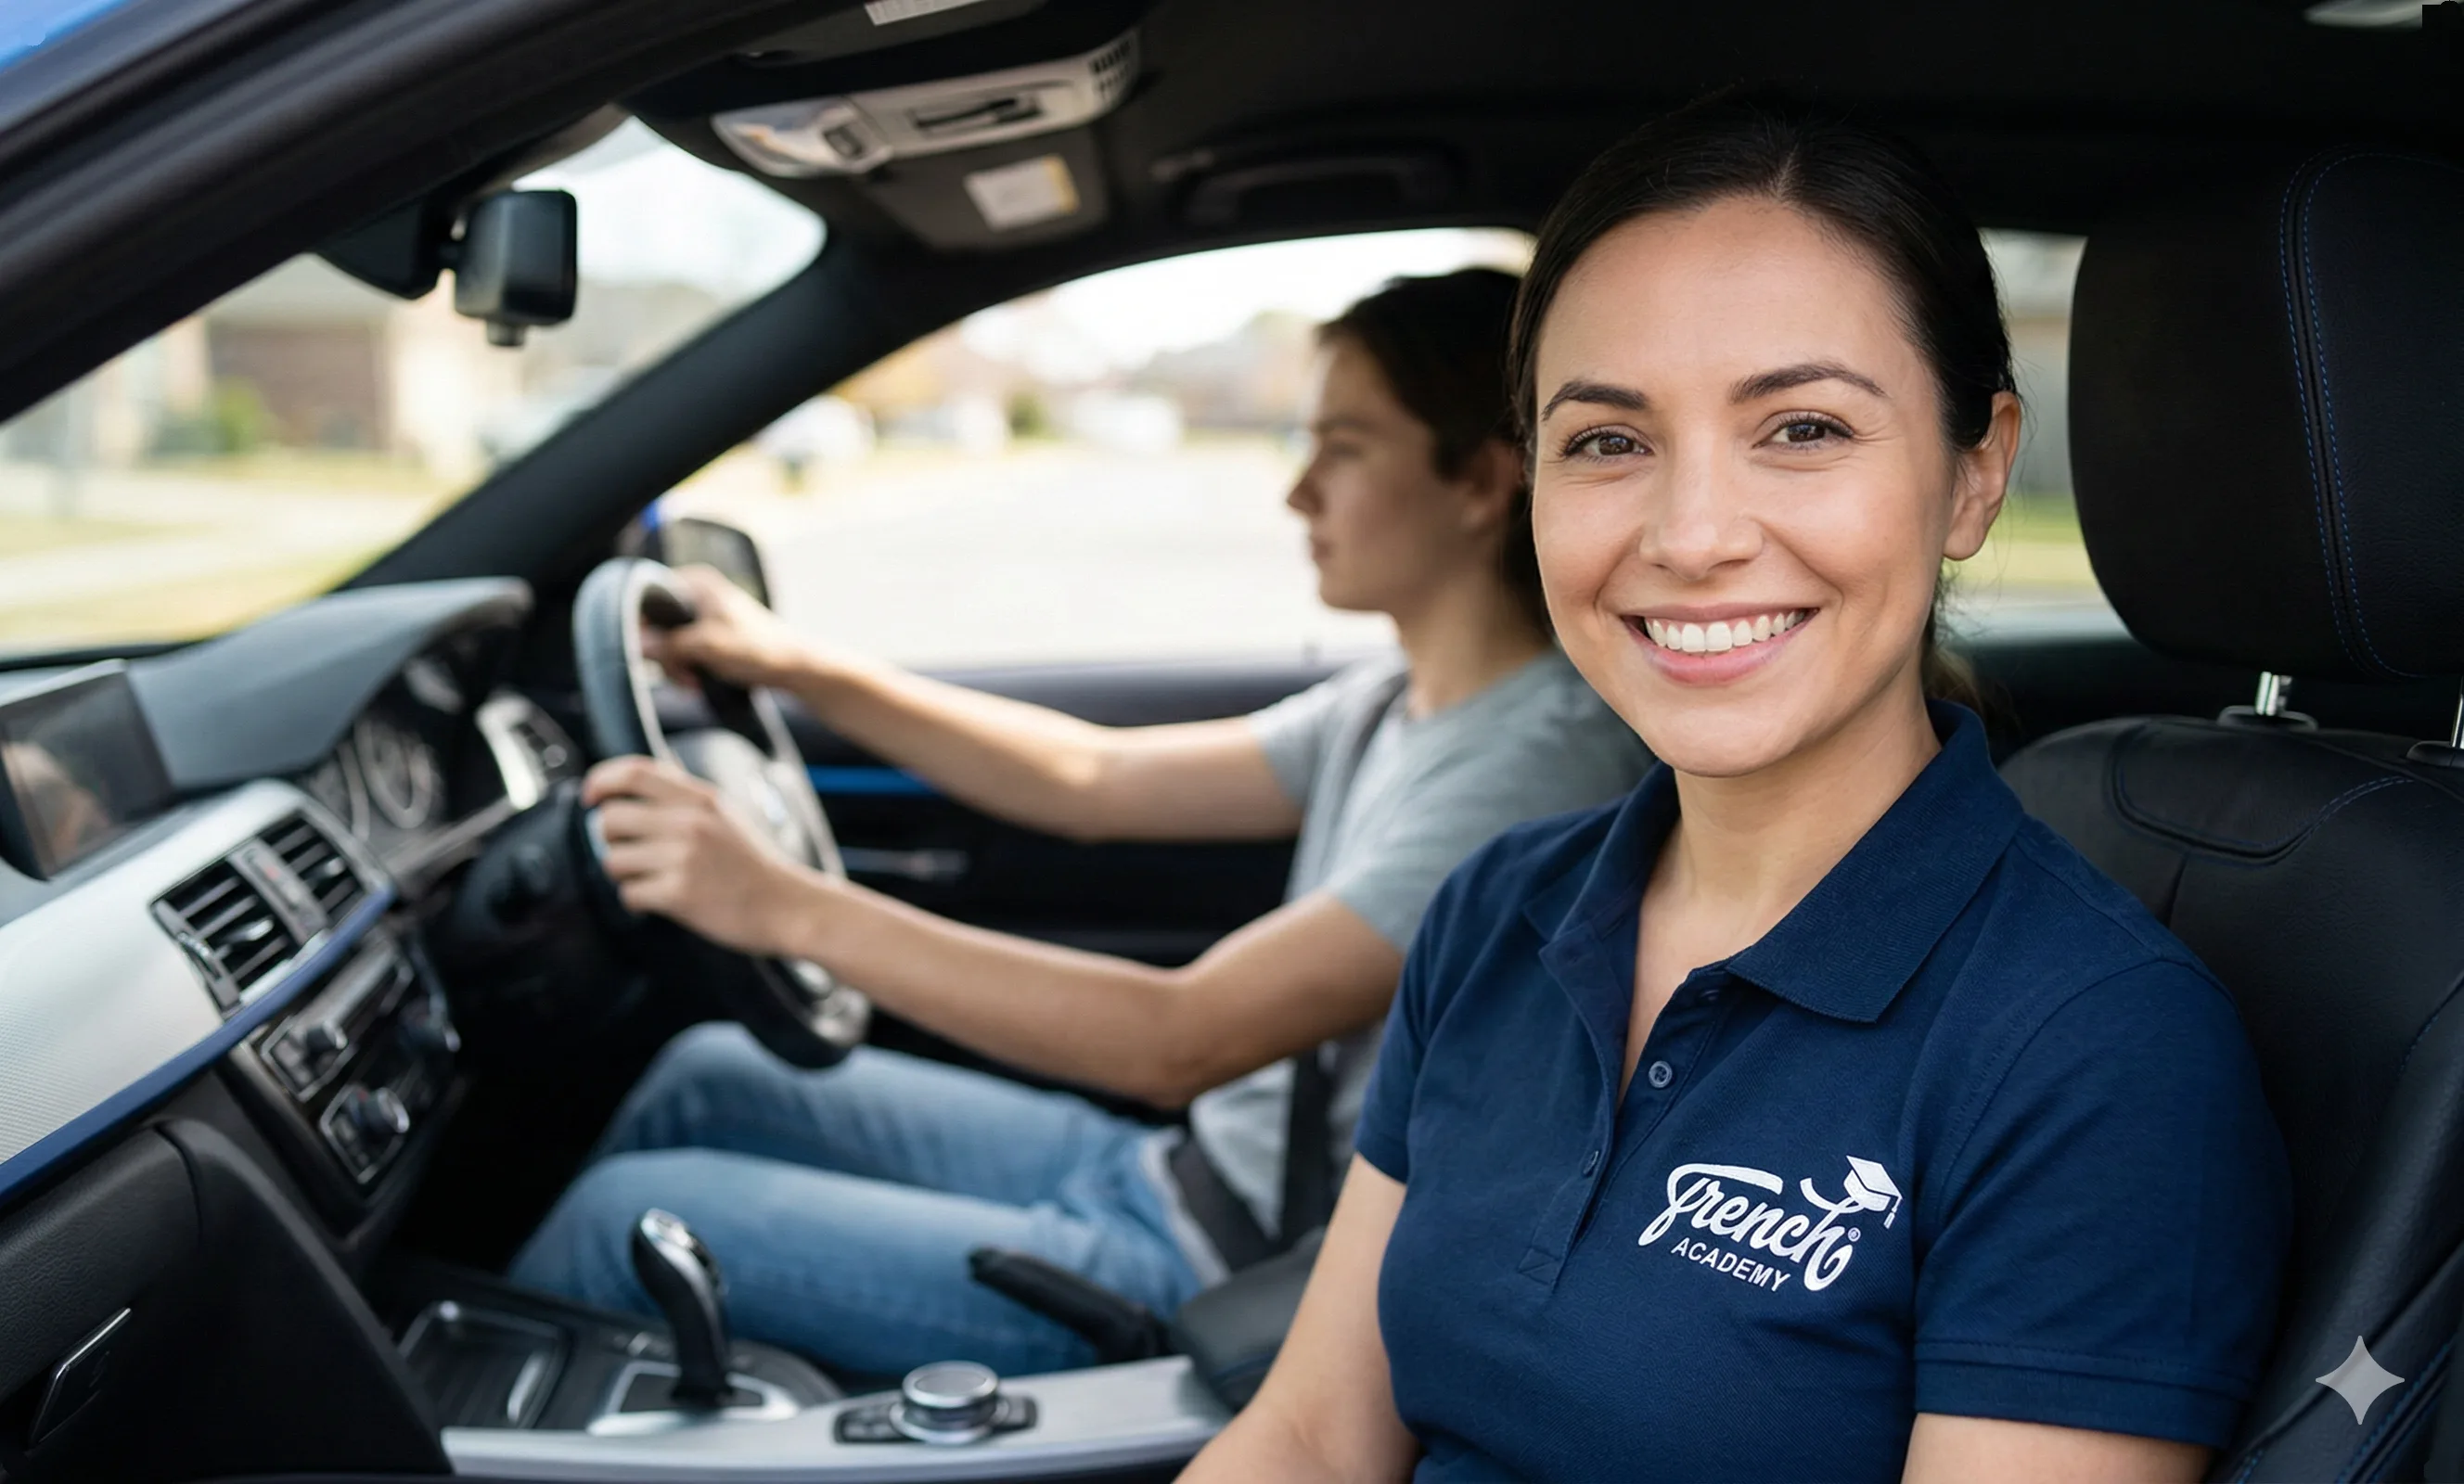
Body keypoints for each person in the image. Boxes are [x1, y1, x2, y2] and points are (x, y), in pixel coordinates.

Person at [1185, 104, 2291, 1483]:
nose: (1693, 535)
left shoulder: (2099, 1053)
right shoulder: (1496, 917)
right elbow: (1308, 1438)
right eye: (1605, 442)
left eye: (1804, 426)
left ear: (1975, 472)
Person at [508, 269, 1652, 1378]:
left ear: (1480, 483)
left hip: (1225, 1261)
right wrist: (790, 661)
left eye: (1342, 449)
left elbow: (1180, 1038)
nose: (1297, 491)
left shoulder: (1527, 769)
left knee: (624, 1219)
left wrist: (778, 904)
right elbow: (1089, 778)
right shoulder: (1391, 702)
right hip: (1177, 1168)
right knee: (707, 1073)